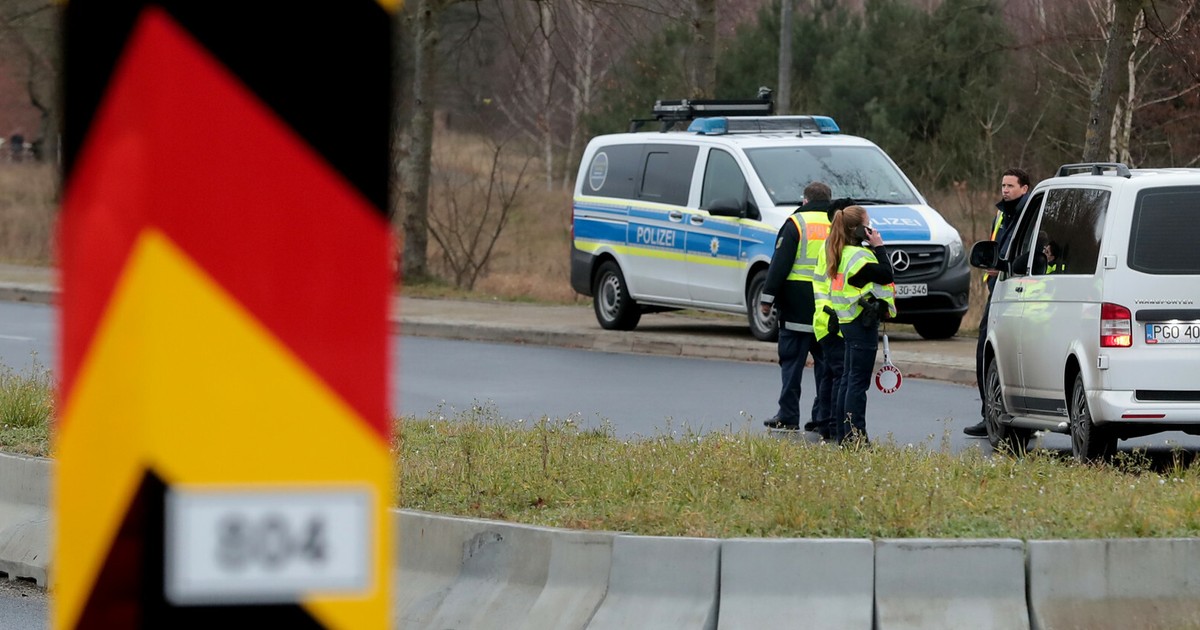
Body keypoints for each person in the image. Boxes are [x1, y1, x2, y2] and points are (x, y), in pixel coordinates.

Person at [760, 181, 833, 431]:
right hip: (827, 308)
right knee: (825, 366)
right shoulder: (838, 223)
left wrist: (767, 298)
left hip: (795, 307)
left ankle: (788, 415)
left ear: (805, 201)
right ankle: (823, 418)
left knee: (791, 364)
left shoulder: (796, 224)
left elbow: (780, 264)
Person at [963, 168, 1031, 437]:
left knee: (998, 352)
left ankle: (1006, 416)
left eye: (1011, 186)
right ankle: (989, 413)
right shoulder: (1002, 216)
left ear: (1025, 189)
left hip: (1024, 290)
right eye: (1003, 185)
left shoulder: (1031, 214)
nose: (1005, 190)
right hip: (999, 290)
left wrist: (1005, 268)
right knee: (986, 351)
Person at [824, 205, 895, 444]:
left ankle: (845, 434)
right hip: (860, 322)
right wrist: (879, 246)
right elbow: (887, 273)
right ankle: (856, 436)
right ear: (858, 229)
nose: (872, 228)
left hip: (848, 321)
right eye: (868, 224)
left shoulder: (842, 251)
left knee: (848, 378)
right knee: (857, 382)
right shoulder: (859, 256)